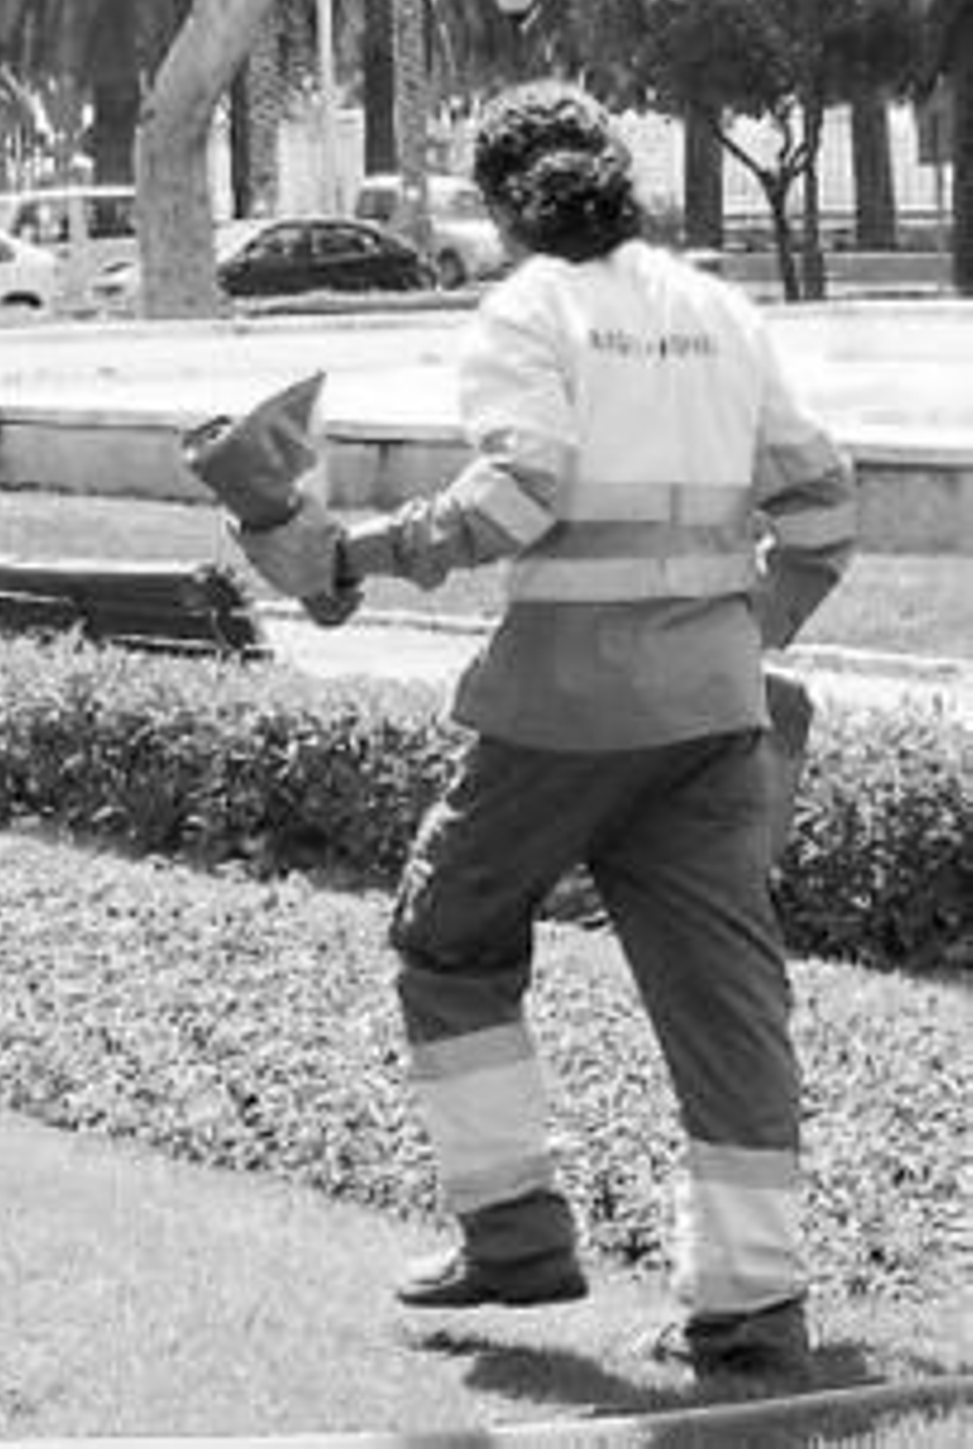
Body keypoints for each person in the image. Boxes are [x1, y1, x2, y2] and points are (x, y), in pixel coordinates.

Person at [236, 82, 856, 1386]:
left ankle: (514, 1235)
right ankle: (754, 1314)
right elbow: (823, 506)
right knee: (729, 1009)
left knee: (447, 939)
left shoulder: (529, 313)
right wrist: (749, 636)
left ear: (505, 208)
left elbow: (521, 488)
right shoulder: (716, 309)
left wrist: (350, 552)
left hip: (565, 714)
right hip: (708, 718)